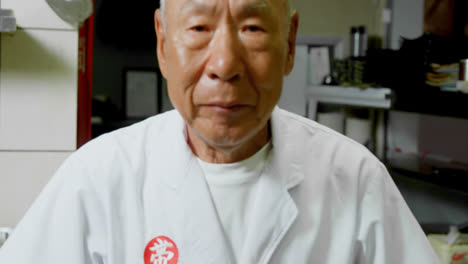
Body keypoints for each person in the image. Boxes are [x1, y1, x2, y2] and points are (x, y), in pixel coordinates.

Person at [0, 0, 440, 263]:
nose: (225, 64)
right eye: (198, 28)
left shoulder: (355, 177)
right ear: (162, 42)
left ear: (289, 43)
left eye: (252, 28)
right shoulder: (97, 177)